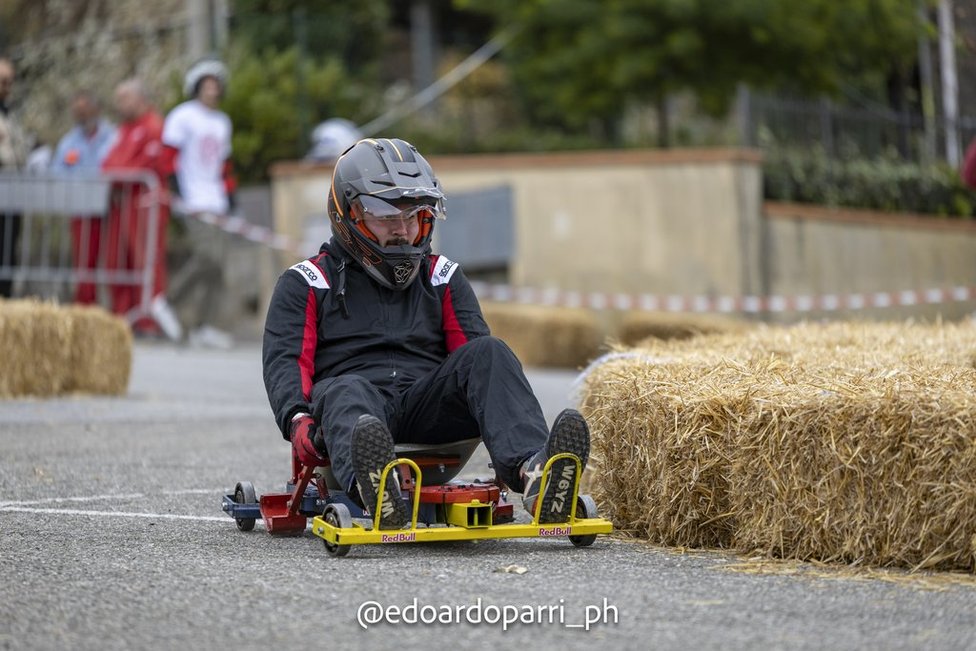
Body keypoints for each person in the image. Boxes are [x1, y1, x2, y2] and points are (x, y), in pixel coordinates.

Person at [262, 138, 590, 529]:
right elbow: (286, 364)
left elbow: (477, 365)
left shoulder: (441, 276)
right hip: (352, 416)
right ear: (349, 214)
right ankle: (377, 489)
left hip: (428, 408)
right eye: (387, 217)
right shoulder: (308, 282)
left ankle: (535, 472)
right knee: (344, 388)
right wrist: (299, 422)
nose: (402, 231)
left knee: (490, 351)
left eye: (413, 216)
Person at [161, 58, 236, 349]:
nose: (212, 91)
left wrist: (232, 198)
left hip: (216, 200)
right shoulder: (183, 116)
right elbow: (169, 157)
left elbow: (225, 165)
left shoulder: (222, 122)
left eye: (216, 86)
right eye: (207, 85)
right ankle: (167, 302)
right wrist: (176, 192)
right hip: (192, 199)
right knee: (207, 256)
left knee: (218, 266)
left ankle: (203, 326)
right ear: (196, 87)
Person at [101, 78, 181, 339]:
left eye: (124, 97)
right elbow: (108, 164)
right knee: (119, 262)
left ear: (140, 98)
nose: (119, 103)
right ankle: (123, 317)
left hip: (146, 207)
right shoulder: (123, 129)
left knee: (146, 262)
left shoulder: (153, 126)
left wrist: (116, 174)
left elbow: (144, 166)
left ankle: (147, 321)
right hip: (123, 206)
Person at [51, 90, 117, 304]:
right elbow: (57, 173)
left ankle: (119, 310)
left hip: (112, 210)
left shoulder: (114, 137)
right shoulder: (68, 142)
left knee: (115, 262)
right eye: (77, 111)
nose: (81, 115)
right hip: (82, 212)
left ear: (97, 109)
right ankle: (85, 306)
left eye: (85, 109)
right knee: (84, 263)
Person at [0, 56, 29, 298]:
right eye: (2, 80)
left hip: (11, 195)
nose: (7, 86)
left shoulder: (10, 114)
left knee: (8, 252)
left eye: (10, 81)